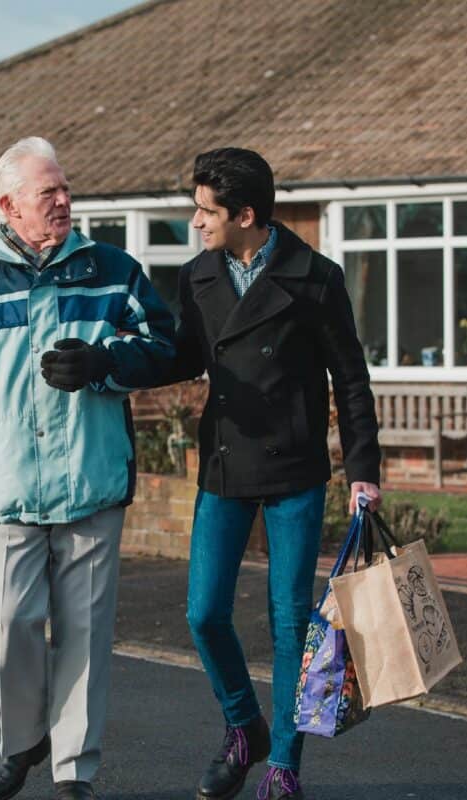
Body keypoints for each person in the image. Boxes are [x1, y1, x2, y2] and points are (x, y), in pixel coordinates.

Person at [0, 136, 175, 800]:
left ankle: (73, 771)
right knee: (10, 621)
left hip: (90, 486)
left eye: (65, 188)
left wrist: (105, 363)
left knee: (85, 638)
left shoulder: (112, 270)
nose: (63, 201)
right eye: (48, 192)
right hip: (7, 490)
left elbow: (164, 347)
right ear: (9, 206)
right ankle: (22, 741)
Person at [159, 148, 383, 800]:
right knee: (204, 613)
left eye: (206, 211)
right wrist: (105, 367)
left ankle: (283, 766)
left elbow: (351, 378)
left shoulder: (314, 277)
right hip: (226, 464)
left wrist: (363, 467)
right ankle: (243, 727)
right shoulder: (198, 277)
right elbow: (180, 356)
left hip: (294, 471)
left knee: (289, 625)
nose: (196, 222)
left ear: (246, 214)